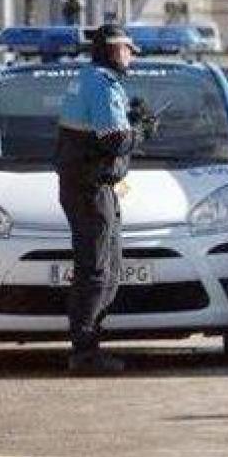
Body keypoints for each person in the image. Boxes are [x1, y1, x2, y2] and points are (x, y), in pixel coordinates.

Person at [55, 24, 156, 374]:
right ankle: (84, 351)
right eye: (128, 50)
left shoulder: (86, 78)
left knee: (108, 268)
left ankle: (89, 343)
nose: (131, 57)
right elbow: (113, 140)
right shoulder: (102, 83)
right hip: (90, 188)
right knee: (96, 270)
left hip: (91, 186)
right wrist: (140, 131)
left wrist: (129, 122)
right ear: (114, 50)